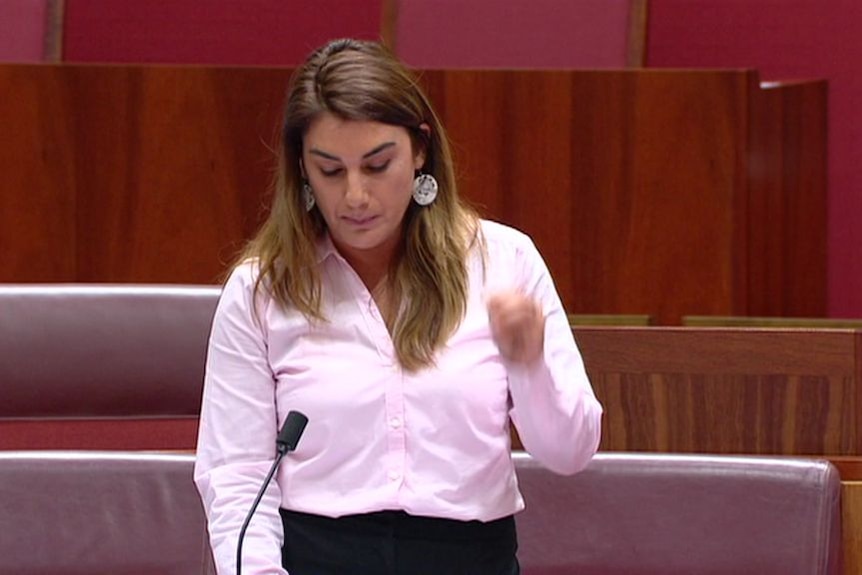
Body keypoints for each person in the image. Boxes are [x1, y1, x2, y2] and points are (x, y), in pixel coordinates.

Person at [194, 38, 603, 575]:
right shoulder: (262, 289)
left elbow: (569, 454)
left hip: (469, 558)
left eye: (377, 165)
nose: (356, 197)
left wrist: (530, 368)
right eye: (331, 171)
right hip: (315, 557)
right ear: (302, 172)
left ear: (420, 150)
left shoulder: (503, 262)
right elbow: (237, 475)